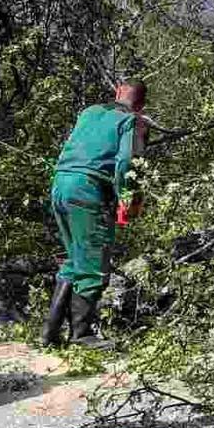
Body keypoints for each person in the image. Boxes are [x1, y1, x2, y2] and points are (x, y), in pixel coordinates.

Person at [42, 79, 148, 349]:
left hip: (61, 185)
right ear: (141, 104)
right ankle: (81, 335)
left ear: (117, 92)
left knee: (75, 258)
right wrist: (130, 197)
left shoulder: (89, 112)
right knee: (92, 264)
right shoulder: (131, 121)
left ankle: (49, 333)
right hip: (88, 190)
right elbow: (127, 163)